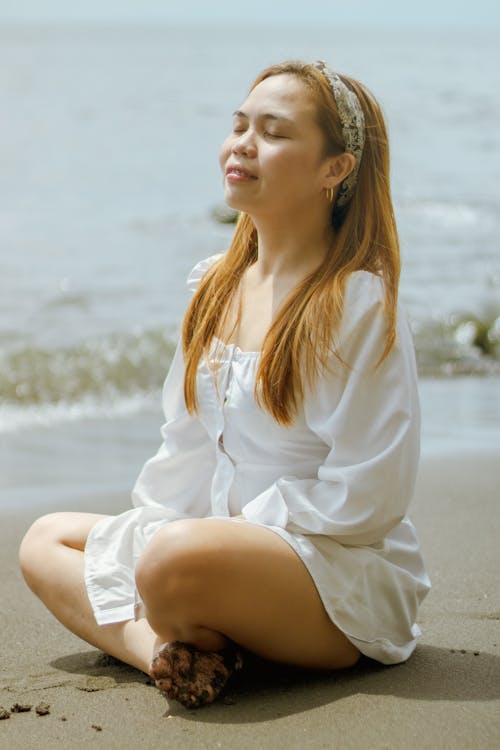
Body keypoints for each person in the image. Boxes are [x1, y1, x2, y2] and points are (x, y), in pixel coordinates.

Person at [19, 60, 431, 709]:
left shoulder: (357, 300)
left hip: (329, 574)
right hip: (211, 551)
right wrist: (159, 530)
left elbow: (371, 496)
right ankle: (157, 649)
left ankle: (190, 610)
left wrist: (231, 534)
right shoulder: (211, 286)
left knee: (172, 562)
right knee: (44, 540)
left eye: (273, 131)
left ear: (335, 169)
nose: (242, 142)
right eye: (239, 124)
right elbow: (184, 448)